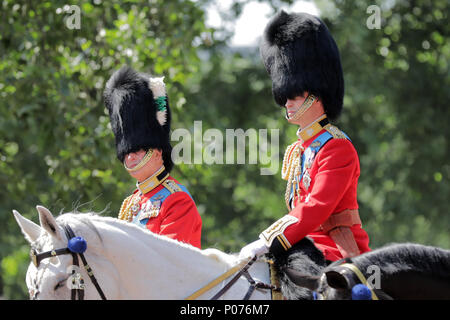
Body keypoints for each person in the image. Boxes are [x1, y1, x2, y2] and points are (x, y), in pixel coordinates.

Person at [239, 11, 371, 262]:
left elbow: (316, 208)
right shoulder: (298, 149)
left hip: (338, 250)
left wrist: (268, 239)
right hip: (303, 245)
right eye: (284, 96)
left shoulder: (337, 147)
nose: (287, 103)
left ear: (316, 94)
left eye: (295, 95)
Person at [103, 66, 202, 249]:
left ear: (157, 152)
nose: (130, 156)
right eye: (126, 152)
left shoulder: (176, 200)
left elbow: (169, 260)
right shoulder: (130, 203)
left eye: (138, 149)